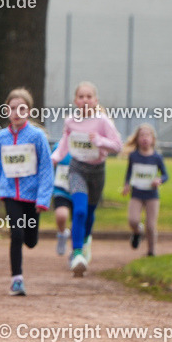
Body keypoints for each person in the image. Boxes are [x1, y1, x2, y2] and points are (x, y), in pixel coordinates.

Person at [50, 81, 122, 277]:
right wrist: (54, 158)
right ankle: (77, 253)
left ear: (95, 100)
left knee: (89, 214)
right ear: (75, 101)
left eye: (89, 97)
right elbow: (65, 143)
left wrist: (99, 141)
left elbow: (117, 146)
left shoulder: (102, 121)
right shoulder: (70, 121)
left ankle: (85, 239)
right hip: (77, 169)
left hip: (97, 171)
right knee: (79, 211)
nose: (85, 100)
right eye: (81, 97)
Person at [0, 88, 53, 296]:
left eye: (22, 108)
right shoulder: (1, 137)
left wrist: (43, 198)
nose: (17, 112)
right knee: (16, 234)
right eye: (13, 108)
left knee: (30, 240)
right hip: (10, 194)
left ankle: (31, 237)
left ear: (29, 111)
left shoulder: (37, 136)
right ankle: (17, 280)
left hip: (32, 196)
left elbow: (45, 168)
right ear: (6, 110)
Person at [121, 123, 168, 256]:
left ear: (153, 139)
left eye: (147, 135)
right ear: (137, 139)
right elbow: (129, 172)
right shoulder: (134, 156)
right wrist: (126, 185)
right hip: (136, 194)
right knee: (133, 220)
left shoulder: (157, 158)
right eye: (141, 135)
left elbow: (165, 175)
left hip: (152, 196)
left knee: (151, 226)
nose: (145, 138)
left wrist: (159, 180)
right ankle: (137, 232)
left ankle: (151, 251)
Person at [52, 145, 73, 256]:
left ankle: (75, 252)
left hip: (79, 191)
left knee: (77, 222)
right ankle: (62, 234)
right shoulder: (58, 147)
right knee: (61, 215)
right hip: (61, 189)